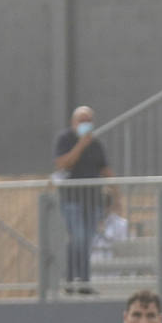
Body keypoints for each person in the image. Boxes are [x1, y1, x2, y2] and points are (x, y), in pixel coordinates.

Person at [53, 105, 114, 292]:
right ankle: (71, 279)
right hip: (72, 199)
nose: (86, 124)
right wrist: (80, 145)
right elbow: (63, 164)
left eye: (89, 120)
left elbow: (104, 169)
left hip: (93, 199)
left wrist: (115, 193)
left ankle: (84, 281)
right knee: (77, 238)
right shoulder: (65, 139)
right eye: (82, 120)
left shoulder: (96, 144)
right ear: (74, 122)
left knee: (87, 241)